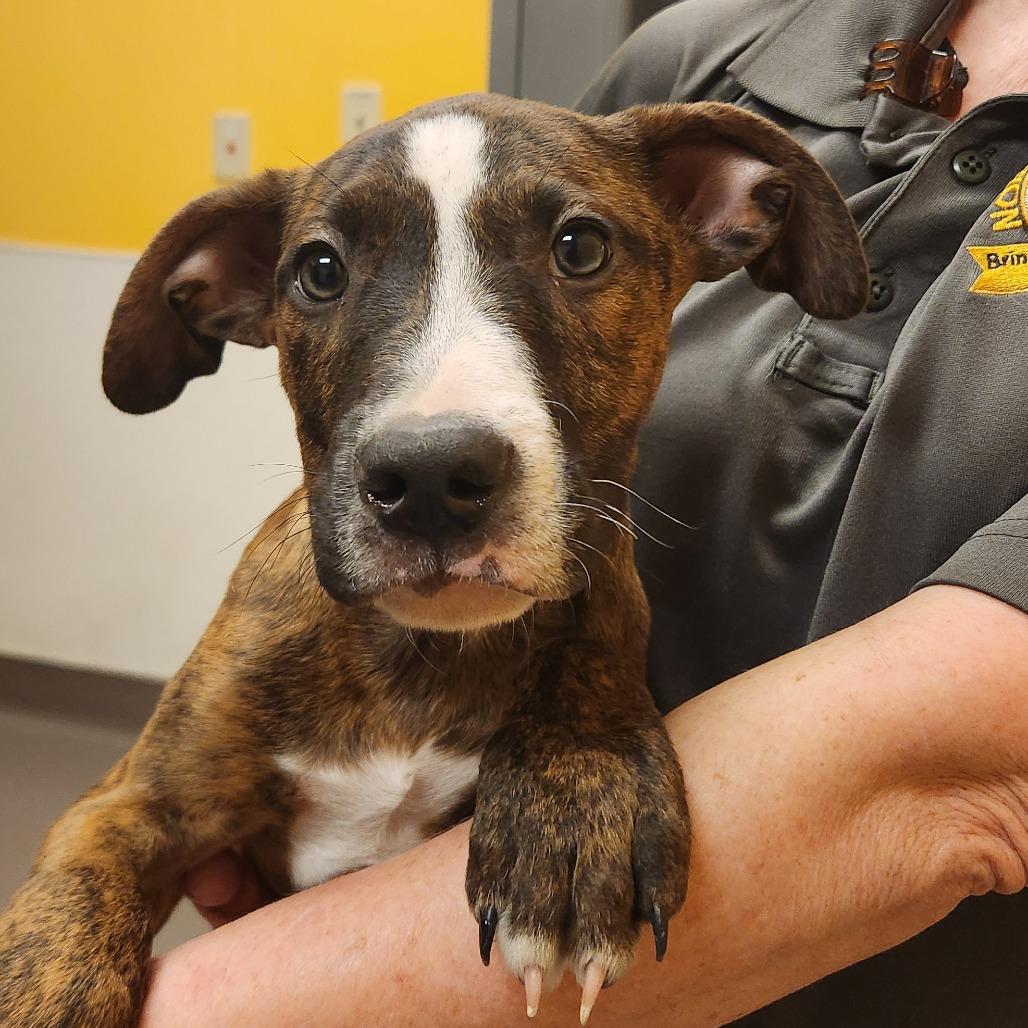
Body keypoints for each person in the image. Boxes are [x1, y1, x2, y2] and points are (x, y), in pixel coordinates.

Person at [142, 0, 1028, 1023]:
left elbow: (962, 765)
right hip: (434, 938)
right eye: (325, 274)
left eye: (575, 250)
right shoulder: (712, 50)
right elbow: (457, 315)